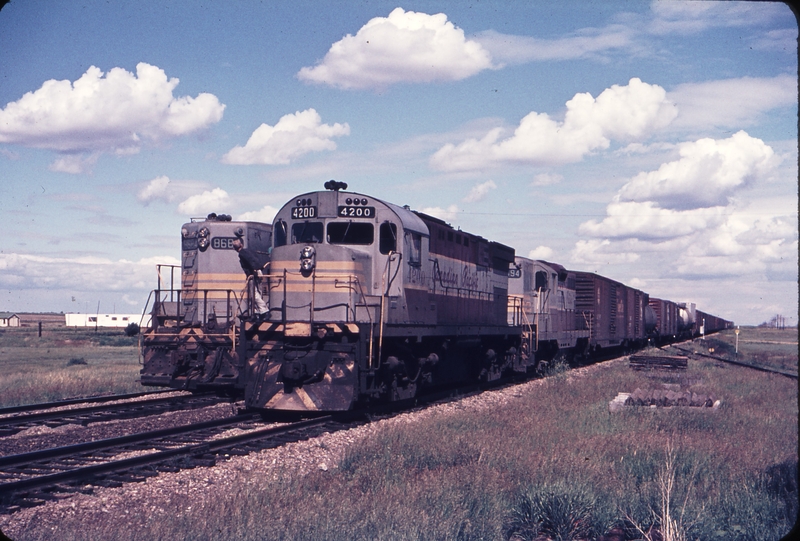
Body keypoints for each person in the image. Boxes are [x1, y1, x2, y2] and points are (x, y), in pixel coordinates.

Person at [232, 237, 268, 317]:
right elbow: (255, 258)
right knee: (259, 292)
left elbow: (251, 260)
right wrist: (260, 268)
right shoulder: (248, 251)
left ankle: (264, 310)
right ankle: (258, 311)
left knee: (254, 293)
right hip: (257, 272)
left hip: (253, 273)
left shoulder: (242, 253)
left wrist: (255, 269)